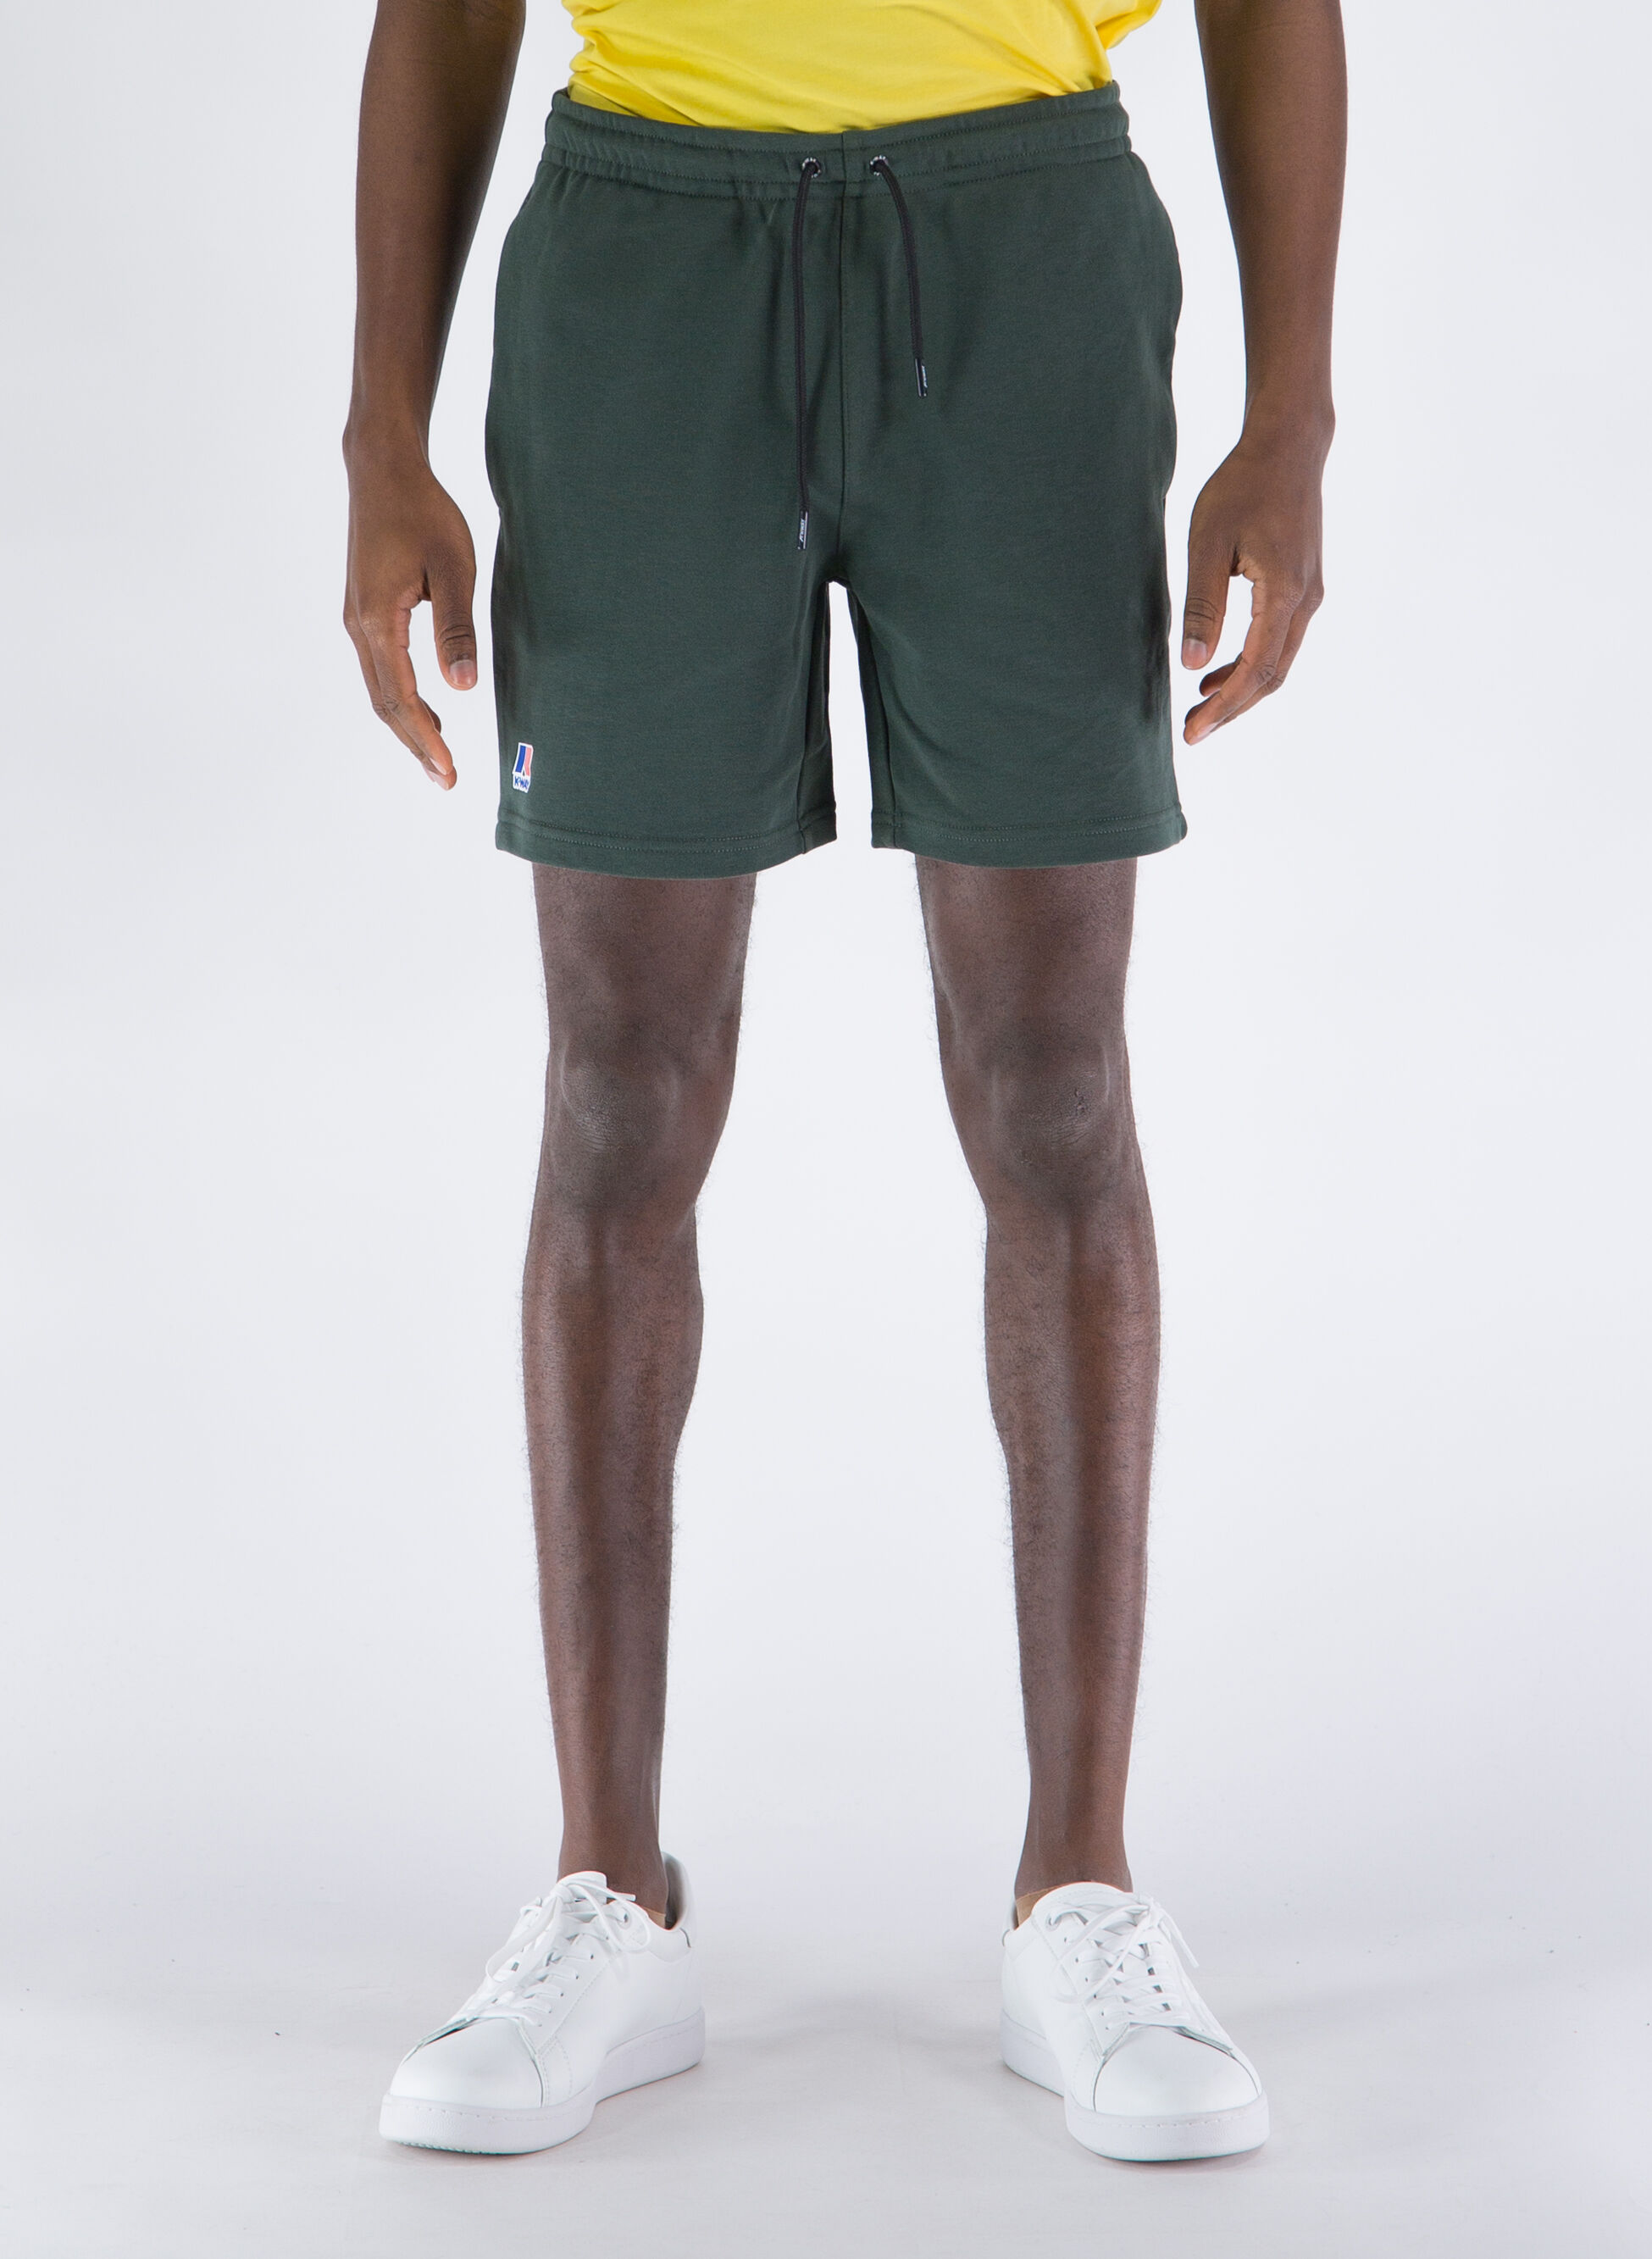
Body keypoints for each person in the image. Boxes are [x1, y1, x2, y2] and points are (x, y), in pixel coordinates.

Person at [343, 0, 1344, 2166]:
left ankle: (1079, 1890)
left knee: (1054, 1087)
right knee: (617, 1100)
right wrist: (377, 434)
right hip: (642, 258)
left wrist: (1295, 416)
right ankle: (612, 1890)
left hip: (1026, 247)